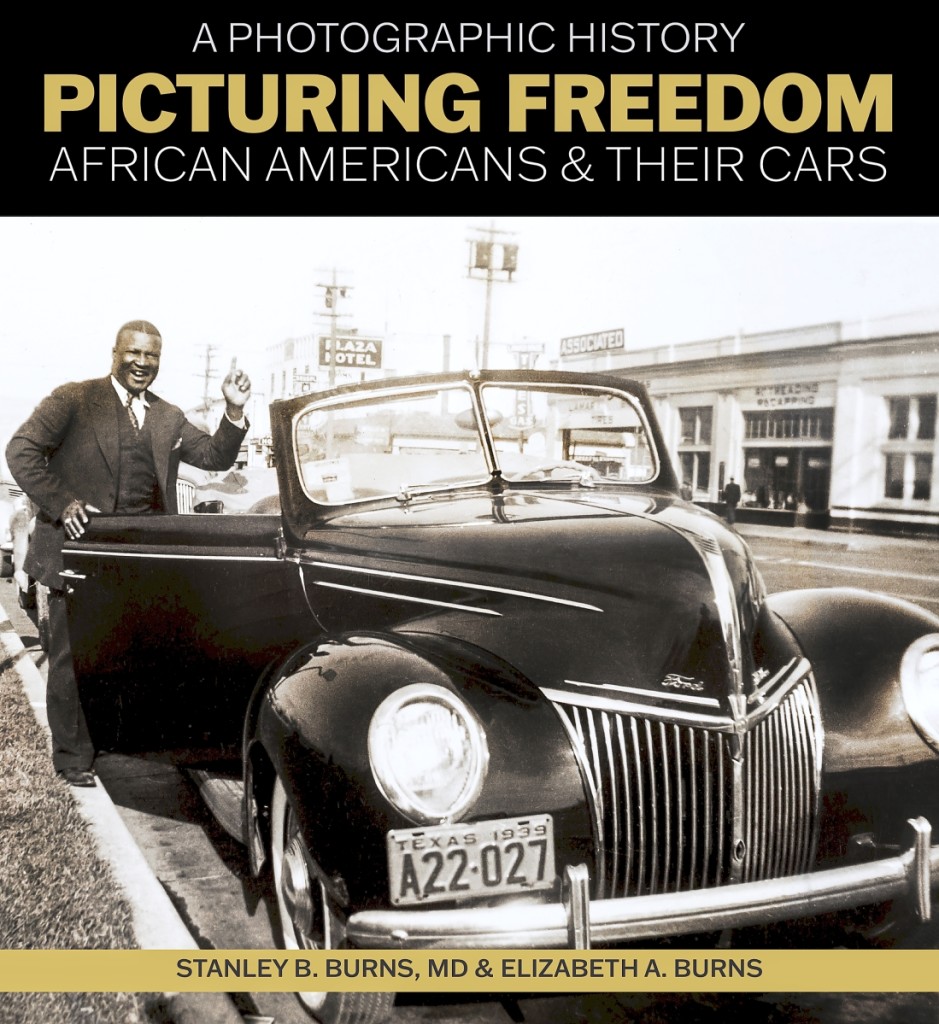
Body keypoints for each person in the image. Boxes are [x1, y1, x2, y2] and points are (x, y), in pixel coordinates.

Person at [5, 320, 252, 787]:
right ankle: (73, 758)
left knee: (125, 657)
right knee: (70, 659)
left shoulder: (167, 416)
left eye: (152, 356)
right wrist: (64, 502)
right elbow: (20, 452)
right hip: (74, 554)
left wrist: (233, 412)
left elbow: (215, 457)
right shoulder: (74, 400)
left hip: (134, 563)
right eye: (134, 352)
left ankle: (123, 742)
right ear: (115, 352)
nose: (142, 363)